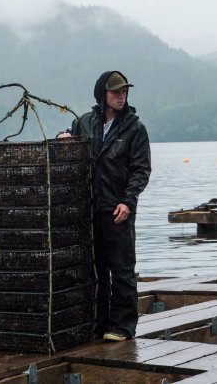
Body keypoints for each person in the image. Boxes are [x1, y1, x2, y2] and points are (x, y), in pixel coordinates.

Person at [58, 70, 151, 342]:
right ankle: (99, 324)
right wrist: (64, 136)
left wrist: (128, 201)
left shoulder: (135, 128)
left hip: (118, 210)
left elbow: (141, 170)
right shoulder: (85, 123)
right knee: (96, 270)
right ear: (103, 94)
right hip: (90, 210)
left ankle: (123, 326)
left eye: (124, 91)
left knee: (121, 269)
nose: (122, 96)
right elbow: (70, 134)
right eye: (116, 92)